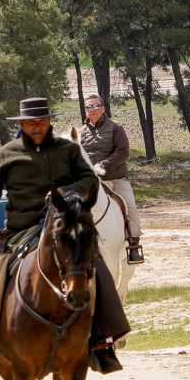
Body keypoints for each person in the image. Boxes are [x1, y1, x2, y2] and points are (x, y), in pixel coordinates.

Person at [0, 97, 130, 374]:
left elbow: (88, 179)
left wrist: (65, 192)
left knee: (96, 266)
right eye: (31, 122)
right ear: (22, 124)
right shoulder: (6, 152)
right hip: (20, 227)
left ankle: (101, 341)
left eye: (42, 122)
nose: (37, 127)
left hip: (62, 225)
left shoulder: (68, 150)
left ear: (49, 122)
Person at [78, 96, 143, 263]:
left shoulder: (116, 128)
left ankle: (133, 246)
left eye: (95, 106)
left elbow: (123, 151)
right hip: (91, 181)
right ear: (86, 110)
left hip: (115, 178)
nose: (92, 109)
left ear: (103, 108)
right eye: (88, 107)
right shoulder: (80, 133)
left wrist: (105, 165)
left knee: (130, 206)